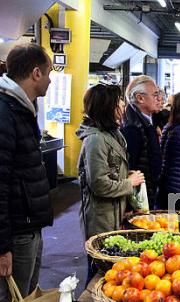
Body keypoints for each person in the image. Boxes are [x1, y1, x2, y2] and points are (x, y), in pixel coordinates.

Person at [0, 44, 54, 302]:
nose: (50, 79)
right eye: (48, 72)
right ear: (35, 73)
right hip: (17, 231)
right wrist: (2, 247)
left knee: (27, 299)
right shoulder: (6, 112)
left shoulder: (22, 108)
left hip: (29, 225)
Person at [77, 84, 145, 283]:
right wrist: (129, 183)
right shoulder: (96, 139)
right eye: (119, 101)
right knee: (100, 267)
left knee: (112, 267)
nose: (123, 105)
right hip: (101, 217)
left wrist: (126, 175)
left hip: (114, 211)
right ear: (108, 106)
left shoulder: (112, 134)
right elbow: (98, 184)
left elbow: (110, 170)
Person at [121, 75, 162, 209]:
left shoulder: (149, 120)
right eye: (155, 95)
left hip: (149, 189)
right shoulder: (132, 128)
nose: (159, 99)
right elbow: (129, 168)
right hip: (139, 195)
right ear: (140, 98)